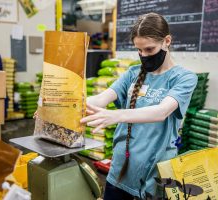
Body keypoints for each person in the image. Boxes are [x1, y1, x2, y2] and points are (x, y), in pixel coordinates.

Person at [80, 12, 198, 199]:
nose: (144, 55)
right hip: (121, 168)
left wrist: (116, 115)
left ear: (167, 41)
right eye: (139, 51)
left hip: (155, 173)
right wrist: (59, 106)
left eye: (149, 50)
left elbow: (161, 112)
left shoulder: (184, 78)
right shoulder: (132, 73)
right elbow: (100, 99)